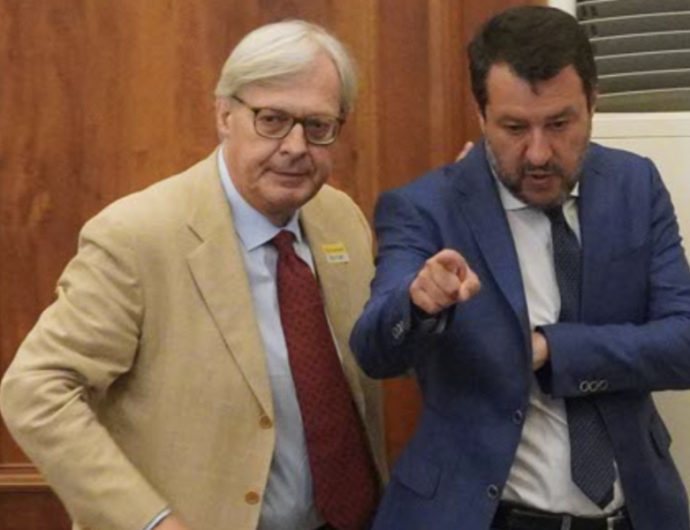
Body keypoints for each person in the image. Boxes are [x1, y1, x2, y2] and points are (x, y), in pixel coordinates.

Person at [0, 20, 385, 530]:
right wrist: (151, 522)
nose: (295, 146)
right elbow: (35, 390)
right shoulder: (138, 235)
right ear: (225, 115)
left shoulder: (342, 220)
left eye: (317, 126)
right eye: (272, 120)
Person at [350, 5, 690, 530]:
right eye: (513, 128)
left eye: (559, 124)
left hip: (633, 514)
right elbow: (373, 351)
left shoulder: (635, 185)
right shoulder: (426, 208)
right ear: (481, 113)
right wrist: (417, 305)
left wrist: (554, 350)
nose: (537, 153)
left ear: (593, 103)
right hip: (483, 516)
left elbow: (683, 343)